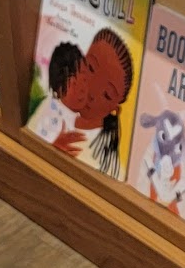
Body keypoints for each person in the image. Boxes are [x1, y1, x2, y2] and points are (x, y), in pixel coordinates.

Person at [28, 27, 134, 178]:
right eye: (90, 68)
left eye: (107, 94)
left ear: (115, 109)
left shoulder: (107, 160)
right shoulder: (52, 106)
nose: (92, 90)